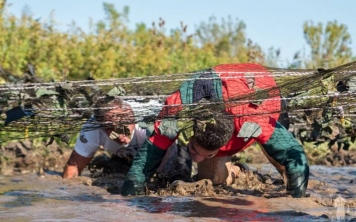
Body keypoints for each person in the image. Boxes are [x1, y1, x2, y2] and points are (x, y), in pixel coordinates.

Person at [121, 63, 310, 198]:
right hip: (219, 87)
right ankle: (239, 171)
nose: (196, 159)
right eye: (193, 149)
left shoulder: (254, 119)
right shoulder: (178, 108)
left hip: (263, 94)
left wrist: (296, 201)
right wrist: (130, 195)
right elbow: (147, 157)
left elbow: (296, 155)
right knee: (212, 180)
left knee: (283, 163)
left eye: (207, 155)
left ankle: (280, 175)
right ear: (191, 131)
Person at [62, 96, 192, 180]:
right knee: (111, 179)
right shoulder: (92, 128)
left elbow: (171, 149)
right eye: (111, 130)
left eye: (123, 126)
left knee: (174, 177)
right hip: (126, 158)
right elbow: (73, 168)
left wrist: (154, 179)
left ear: (130, 115)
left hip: (169, 149)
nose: (120, 135)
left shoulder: (149, 119)